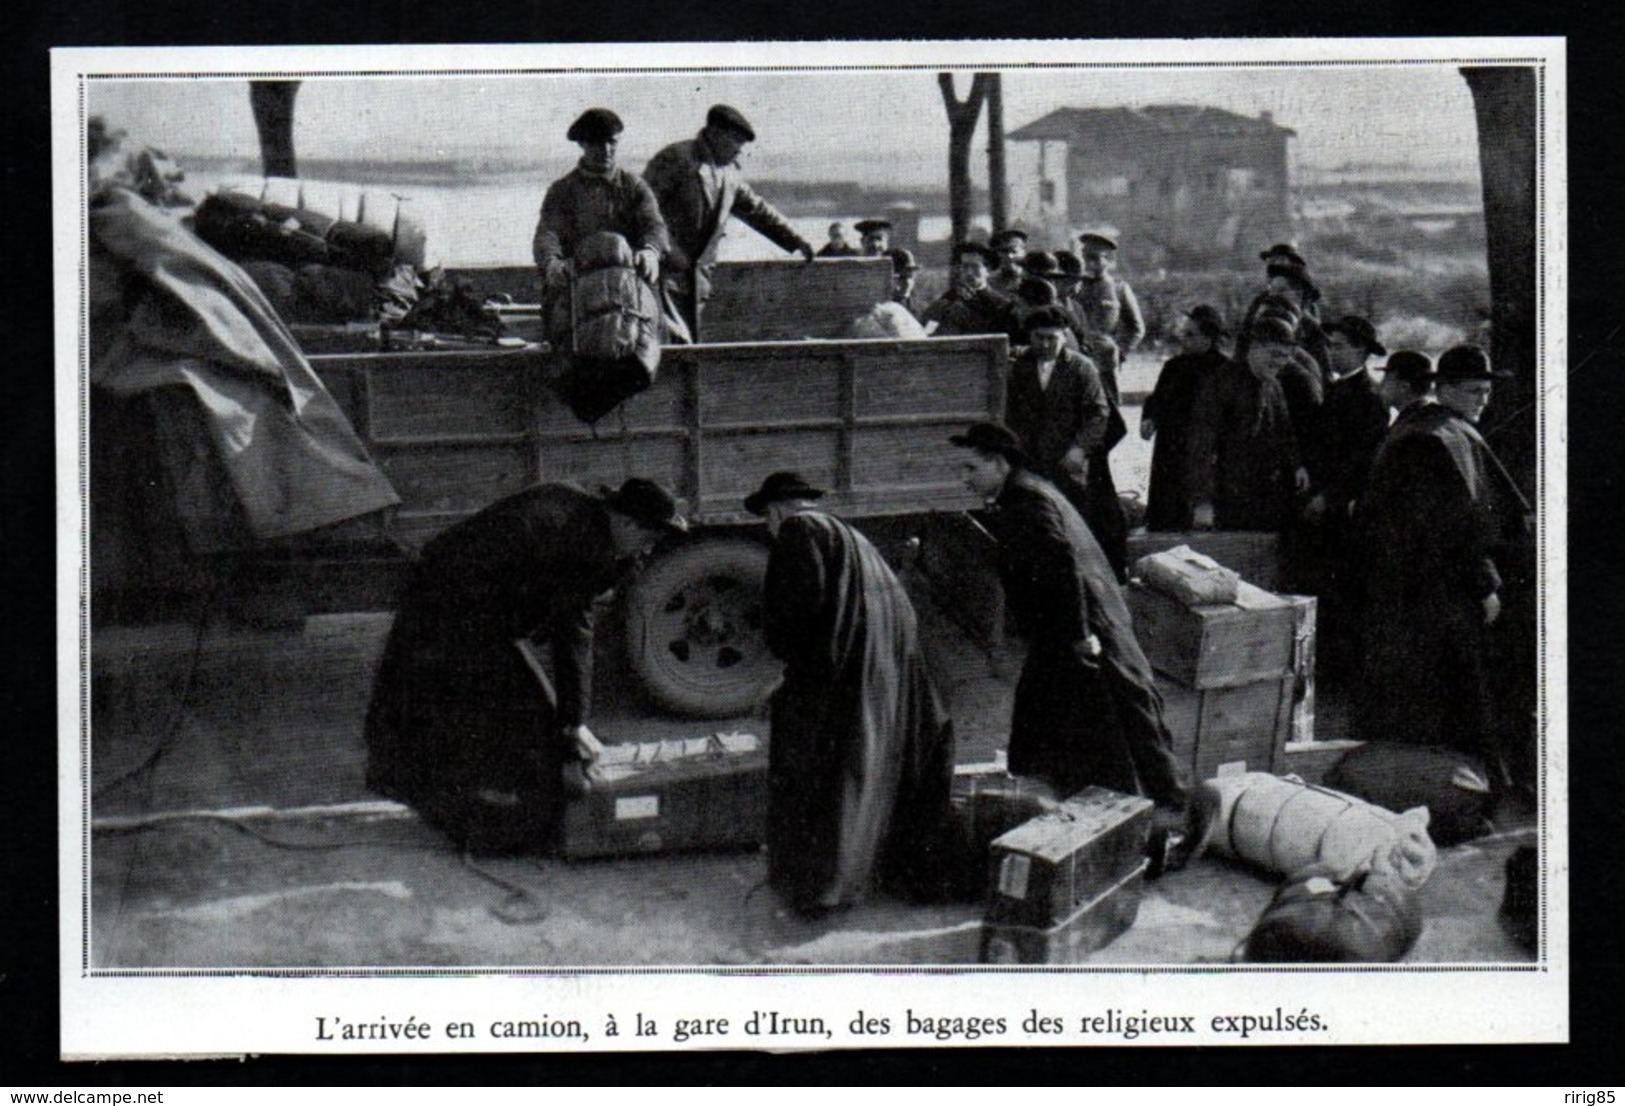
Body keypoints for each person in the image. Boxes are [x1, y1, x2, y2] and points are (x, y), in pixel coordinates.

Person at [364, 479, 688, 853]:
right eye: (649, 540)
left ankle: (428, 794)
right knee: (515, 713)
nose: (648, 551)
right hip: (450, 605)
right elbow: (573, 635)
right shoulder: (581, 541)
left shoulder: (583, 517)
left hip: (461, 599)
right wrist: (574, 723)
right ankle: (480, 827)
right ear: (628, 524)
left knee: (454, 707)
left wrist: (571, 721)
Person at [748, 472, 956, 916]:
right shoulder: (849, 534)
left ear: (777, 510)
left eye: (767, 519)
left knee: (821, 766)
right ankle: (848, 876)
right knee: (863, 763)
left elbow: (796, 613)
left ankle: (817, 889)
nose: (769, 529)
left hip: (845, 665)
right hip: (881, 660)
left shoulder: (798, 531)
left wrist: (788, 674)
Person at [949, 423, 1188, 810]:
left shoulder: (1026, 499)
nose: (963, 479)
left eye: (971, 469)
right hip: (1070, 624)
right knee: (1055, 713)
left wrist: (1079, 635)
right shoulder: (1026, 490)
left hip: (1087, 625)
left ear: (999, 464)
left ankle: (1167, 809)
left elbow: (1062, 566)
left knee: (1128, 714)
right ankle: (1049, 792)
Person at [1352, 346, 1535, 790]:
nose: (1482, 401)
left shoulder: (1441, 429)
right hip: (1433, 595)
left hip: (1428, 592)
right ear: (1444, 388)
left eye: (1487, 394)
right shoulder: (1432, 439)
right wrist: (1485, 585)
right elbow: (1448, 530)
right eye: (1473, 391)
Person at [642, 104, 816, 341]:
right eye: (736, 141)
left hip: (697, 283)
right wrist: (668, 250)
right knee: (668, 349)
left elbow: (756, 209)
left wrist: (797, 239)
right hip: (663, 276)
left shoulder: (729, 174)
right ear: (714, 134)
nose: (739, 151)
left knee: (687, 351)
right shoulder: (676, 159)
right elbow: (643, 209)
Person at [1004, 306, 1130, 576]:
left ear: (1065, 336)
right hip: (1030, 460)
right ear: (1030, 336)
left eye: (1053, 337)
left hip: (1066, 462)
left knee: (1073, 524)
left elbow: (1098, 414)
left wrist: (1080, 449)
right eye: (1039, 337)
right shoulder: (1018, 367)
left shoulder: (1081, 368)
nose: (1046, 344)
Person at [532, 109, 670, 314]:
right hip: (578, 283)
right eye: (597, 143)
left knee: (654, 324)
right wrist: (552, 262)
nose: (605, 150)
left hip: (629, 282)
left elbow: (654, 225)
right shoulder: (562, 190)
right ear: (582, 144)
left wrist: (651, 251)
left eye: (612, 142)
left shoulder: (634, 187)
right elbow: (547, 233)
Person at [1187, 317, 1310, 532]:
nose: (1281, 363)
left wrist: (1297, 464)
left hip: (1266, 495)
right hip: (1227, 497)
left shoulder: (1274, 386)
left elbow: (1284, 431)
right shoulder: (1221, 384)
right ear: (1255, 347)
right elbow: (1201, 446)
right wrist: (1202, 502)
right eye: (1275, 354)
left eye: (1286, 357)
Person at [1141, 305, 1231, 531]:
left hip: (1204, 452)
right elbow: (1157, 398)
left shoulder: (1225, 370)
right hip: (1170, 449)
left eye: (1191, 335)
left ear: (1209, 338)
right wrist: (1149, 418)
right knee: (1167, 514)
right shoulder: (1173, 366)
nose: (1184, 339)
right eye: (1184, 332)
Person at [1071, 232, 1146, 405]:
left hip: (1105, 359)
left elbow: (1137, 328)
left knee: (1110, 408)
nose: (1090, 263)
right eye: (1086, 257)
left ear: (1108, 259)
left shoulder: (1119, 288)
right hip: (1077, 356)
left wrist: (1121, 352)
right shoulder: (1074, 287)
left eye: (1095, 258)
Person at [920, 242, 1018, 337]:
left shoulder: (1001, 305)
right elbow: (928, 331)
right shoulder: (947, 300)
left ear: (988, 270)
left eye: (975, 267)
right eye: (965, 266)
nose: (969, 273)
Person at [988, 228, 1029, 296]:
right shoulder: (989, 282)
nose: (1009, 256)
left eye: (1014, 252)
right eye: (1004, 252)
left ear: (1023, 253)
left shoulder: (1032, 279)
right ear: (998, 254)